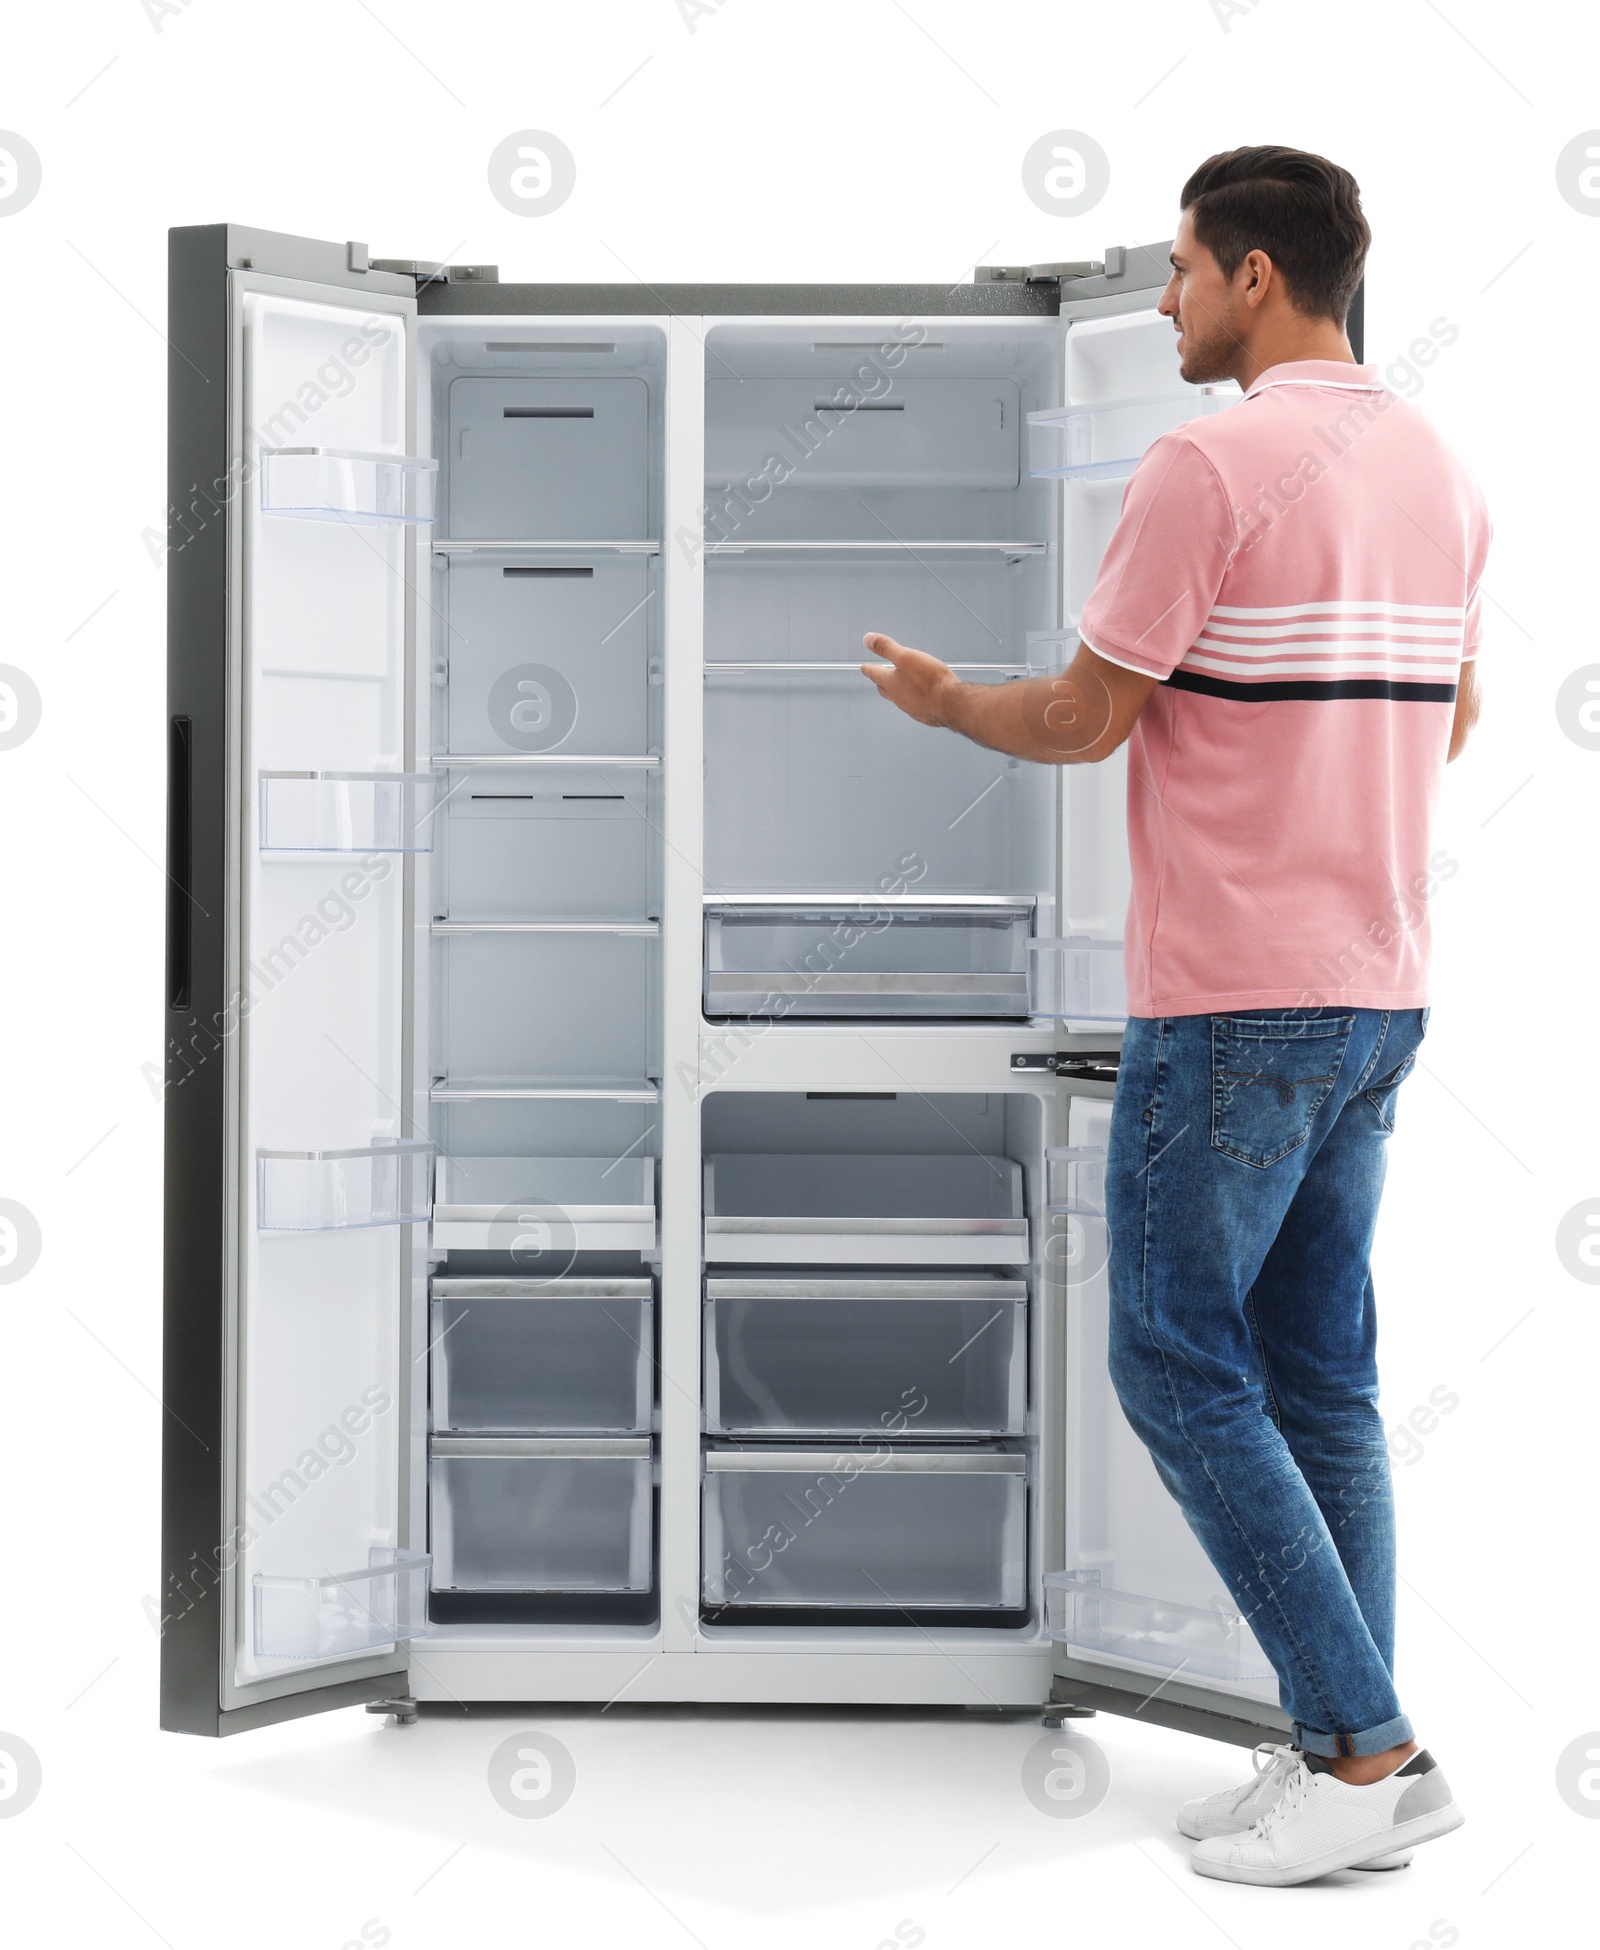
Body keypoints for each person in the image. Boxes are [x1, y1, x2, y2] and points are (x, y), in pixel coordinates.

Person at [861, 144, 1487, 1887]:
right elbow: (1456, 716)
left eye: (1185, 273)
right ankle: (1359, 1751)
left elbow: (1080, 718)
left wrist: (938, 705)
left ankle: (1361, 1748)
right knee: (1321, 1372)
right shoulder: (1438, 463)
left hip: (1231, 1002)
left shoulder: (1206, 462)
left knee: (1175, 1364)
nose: (1165, 303)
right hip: (1379, 990)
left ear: (1260, 280)